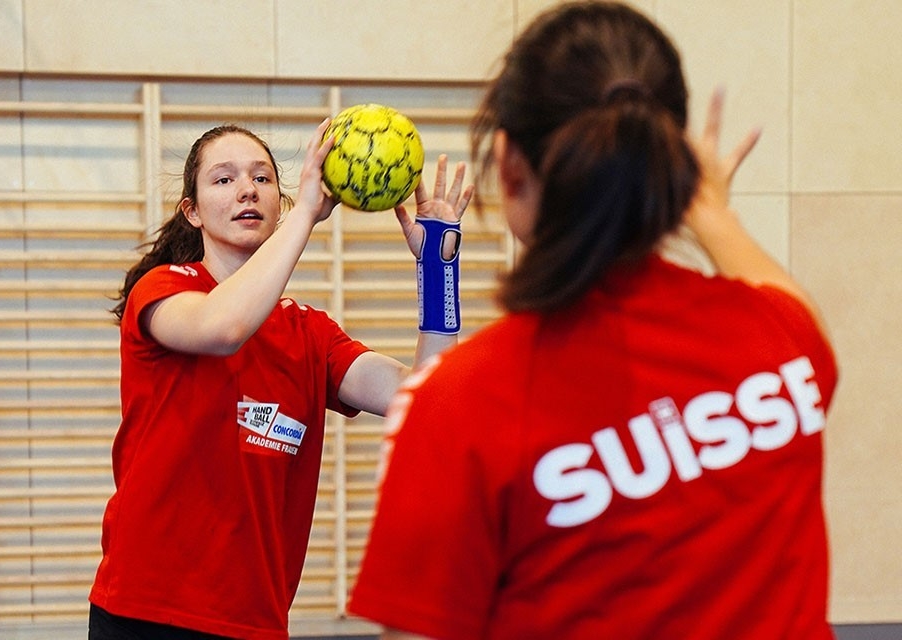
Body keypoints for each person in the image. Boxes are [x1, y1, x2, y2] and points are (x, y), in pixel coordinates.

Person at [347, 2, 839, 639]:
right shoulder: (783, 340)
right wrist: (712, 209)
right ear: (673, 163)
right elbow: (791, 303)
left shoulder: (460, 406)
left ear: (511, 166)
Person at [88, 119, 473, 639]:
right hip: (146, 614)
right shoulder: (164, 290)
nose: (247, 188)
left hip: (255, 622)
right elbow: (224, 327)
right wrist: (310, 215)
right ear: (192, 211)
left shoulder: (310, 333)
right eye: (223, 179)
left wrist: (438, 269)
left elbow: (429, 401)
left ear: (279, 205)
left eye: (263, 178)